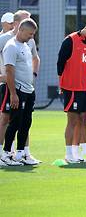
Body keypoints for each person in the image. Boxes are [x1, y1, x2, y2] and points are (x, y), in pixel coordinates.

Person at [57, 18, 86, 163]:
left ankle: (76, 153)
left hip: (85, 88)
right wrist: (62, 85)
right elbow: (60, 64)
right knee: (72, 120)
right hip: (71, 87)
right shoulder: (70, 40)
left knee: (80, 120)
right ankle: (68, 154)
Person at [0, 10, 40, 166]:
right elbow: (9, 71)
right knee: (14, 122)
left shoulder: (26, 44)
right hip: (18, 90)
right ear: (21, 30)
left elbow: (31, 63)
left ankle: (21, 154)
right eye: (30, 34)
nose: (32, 37)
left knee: (26, 122)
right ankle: (6, 153)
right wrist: (13, 94)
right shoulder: (11, 46)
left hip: (29, 90)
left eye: (33, 34)